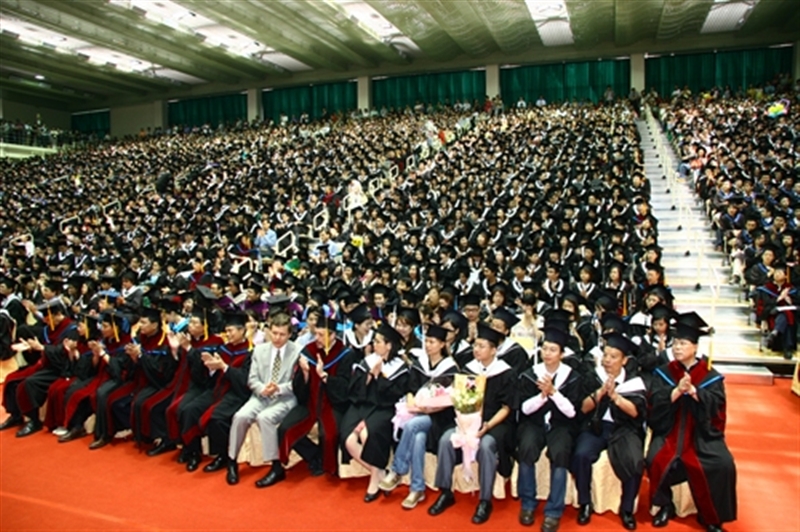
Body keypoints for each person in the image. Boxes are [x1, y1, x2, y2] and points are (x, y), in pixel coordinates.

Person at [647, 313, 737, 532]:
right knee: (655, 458)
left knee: (723, 464)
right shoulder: (664, 372)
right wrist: (676, 391)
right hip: (670, 430)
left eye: (683, 343)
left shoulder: (710, 376)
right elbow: (654, 403)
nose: (677, 348)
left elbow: (717, 408)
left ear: (695, 347)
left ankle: (711, 517)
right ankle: (665, 505)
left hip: (701, 434)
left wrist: (696, 392)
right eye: (675, 343)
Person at [427, 323, 517, 525]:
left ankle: (485, 500)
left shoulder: (505, 373)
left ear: (493, 350)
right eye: (475, 345)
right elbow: (461, 400)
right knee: (446, 440)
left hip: (495, 423)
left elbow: (506, 408)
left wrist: (487, 426)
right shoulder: (468, 369)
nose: (476, 349)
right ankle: (445, 491)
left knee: (486, 445)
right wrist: (464, 423)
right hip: (468, 420)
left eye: (482, 346)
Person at [571, 332, 647, 530]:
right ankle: (585, 503)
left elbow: (636, 413)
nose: (607, 360)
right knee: (581, 455)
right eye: (605, 355)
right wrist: (601, 392)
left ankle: (627, 509)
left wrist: (616, 397)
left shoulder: (634, 382)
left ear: (624, 360)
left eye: (613, 356)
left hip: (624, 429)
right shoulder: (593, 376)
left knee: (635, 461)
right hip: (595, 427)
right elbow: (583, 408)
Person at [379, 323, 458, 509]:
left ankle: (398, 469)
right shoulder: (419, 364)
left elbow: (450, 402)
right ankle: (417, 489)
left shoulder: (451, 369)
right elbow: (410, 389)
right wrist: (412, 403)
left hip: (441, 419)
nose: (428, 345)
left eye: (432, 342)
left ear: (442, 344)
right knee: (418, 438)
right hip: (419, 414)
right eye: (426, 341)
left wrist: (426, 410)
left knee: (412, 426)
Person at [516, 326, 583, 529]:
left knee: (560, 452)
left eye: (553, 350)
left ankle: (554, 510)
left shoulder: (573, 377)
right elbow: (524, 409)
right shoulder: (530, 374)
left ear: (562, 354)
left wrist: (554, 392)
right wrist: (541, 396)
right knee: (526, 447)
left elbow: (572, 412)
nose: (547, 353)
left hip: (561, 425)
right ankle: (528, 503)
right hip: (534, 423)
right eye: (544, 348)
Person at [277, 316, 355, 480]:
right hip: (310, 403)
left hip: (333, 404)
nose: (317, 339)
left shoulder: (345, 354)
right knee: (285, 429)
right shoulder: (308, 352)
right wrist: (305, 373)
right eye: (316, 334)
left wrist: (325, 376)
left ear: (332, 335)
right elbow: (298, 388)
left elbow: (345, 388)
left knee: (329, 435)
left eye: (321, 335)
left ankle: (326, 465)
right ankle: (314, 456)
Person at [227, 313, 300, 486]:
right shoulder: (259, 350)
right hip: (260, 395)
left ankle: (276, 467)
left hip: (285, 397)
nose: (277, 338)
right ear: (268, 331)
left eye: (282, 334)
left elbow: (298, 383)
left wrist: (279, 388)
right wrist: (262, 389)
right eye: (274, 333)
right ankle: (231, 460)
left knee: (264, 418)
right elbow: (252, 379)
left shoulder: (298, 351)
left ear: (290, 335)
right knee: (240, 416)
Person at [340, 322, 409, 501]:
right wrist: (370, 376)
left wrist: (381, 378)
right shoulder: (368, 361)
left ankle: (374, 480)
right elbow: (354, 389)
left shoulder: (400, 368)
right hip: (362, 405)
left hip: (385, 408)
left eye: (378, 341)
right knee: (348, 439)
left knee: (368, 434)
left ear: (389, 345)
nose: (374, 344)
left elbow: (395, 395)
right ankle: (378, 471)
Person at [0, 299, 77, 436]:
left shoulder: (71, 330)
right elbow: (40, 345)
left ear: (58, 314)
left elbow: (63, 354)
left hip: (61, 369)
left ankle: (34, 420)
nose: (45, 320)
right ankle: (16, 415)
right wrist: (30, 347)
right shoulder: (48, 328)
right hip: (46, 364)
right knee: (12, 378)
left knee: (29, 383)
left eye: (48, 317)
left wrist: (42, 348)